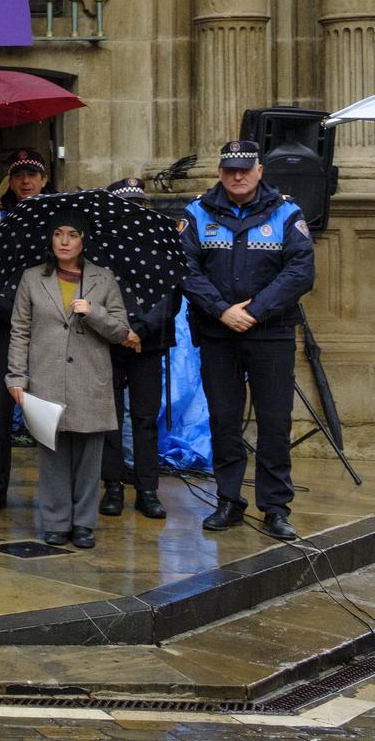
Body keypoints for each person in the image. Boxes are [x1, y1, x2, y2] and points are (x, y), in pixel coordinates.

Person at [181, 139, 316, 541]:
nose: (237, 176)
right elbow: (184, 268)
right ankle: (228, 500)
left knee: (274, 422)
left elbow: (300, 272)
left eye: (244, 169)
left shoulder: (287, 212)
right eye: (229, 170)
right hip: (217, 332)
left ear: (259, 170)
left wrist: (253, 310)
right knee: (224, 420)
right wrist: (222, 309)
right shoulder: (197, 212)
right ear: (220, 173)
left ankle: (275, 507)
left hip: (271, 333)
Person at [6, 209, 132, 549]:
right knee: (52, 453)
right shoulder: (33, 278)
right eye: (58, 233)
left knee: (89, 456)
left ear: (83, 240)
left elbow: (121, 331)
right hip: (47, 377)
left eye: (72, 234)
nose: (64, 241)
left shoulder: (102, 279)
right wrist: (17, 376)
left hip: (90, 380)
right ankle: (56, 521)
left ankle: (83, 523)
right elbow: (19, 330)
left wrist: (94, 312)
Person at [0, 147, 52, 515]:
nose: (25, 181)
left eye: (33, 174)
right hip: (4, 329)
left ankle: (56, 493)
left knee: (51, 413)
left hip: (47, 330)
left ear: (45, 179)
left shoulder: (58, 217)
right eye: (19, 174)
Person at [100, 177, 173, 520]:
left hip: (148, 342)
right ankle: (112, 486)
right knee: (109, 418)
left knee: (145, 418)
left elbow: (169, 294)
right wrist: (118, 330)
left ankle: (147, 490)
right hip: (109, 342)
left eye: (138, 206)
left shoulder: (161, 243)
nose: (133, 213)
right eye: (125, 207)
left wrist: (140, 329)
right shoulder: (100, 250)